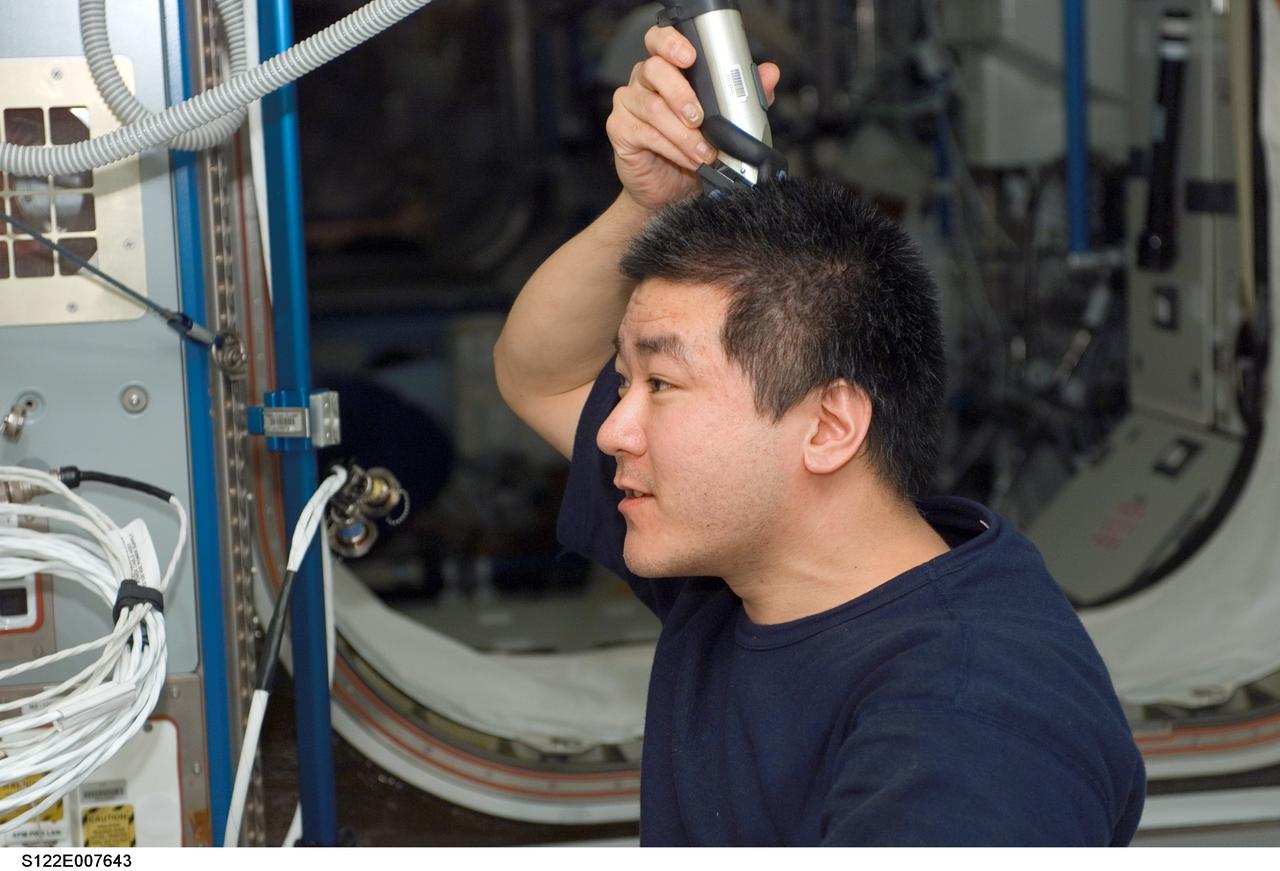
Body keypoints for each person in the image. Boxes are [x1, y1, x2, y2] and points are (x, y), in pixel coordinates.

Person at [493, 24, 1146, 846]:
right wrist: (647, 205)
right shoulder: (740, 574)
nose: (614, 429)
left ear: (830, 425)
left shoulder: (967, 729)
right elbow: (539, 374)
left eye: (661, 384)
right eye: (624, 383)